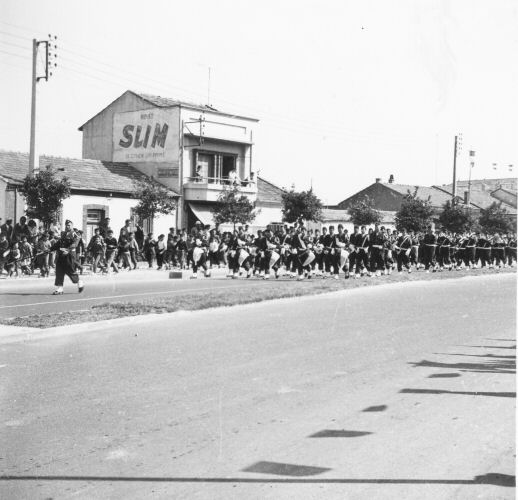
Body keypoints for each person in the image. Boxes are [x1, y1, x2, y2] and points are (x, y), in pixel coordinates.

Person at [49, 219, 84, 295]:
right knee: (59, 271)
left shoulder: (75, 234)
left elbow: (75, 243)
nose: (67, 226)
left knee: (70, 271)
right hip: (61, 255)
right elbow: (59, 243)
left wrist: (68, 250)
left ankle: (79, 282)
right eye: (66, 225)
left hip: (69, 255)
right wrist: (51, 249)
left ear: (72, 226)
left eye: (69, 225)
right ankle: (60, 288)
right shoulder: (63, 234)